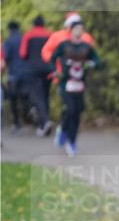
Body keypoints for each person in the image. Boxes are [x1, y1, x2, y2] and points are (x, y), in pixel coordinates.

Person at [48, 18, 102, 157]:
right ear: (70, 30)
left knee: (77, 112)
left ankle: (70, 139)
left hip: (80, 85)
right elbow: (52, 58)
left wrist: (92, 64)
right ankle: (66, 135)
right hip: (66, 84)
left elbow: (98, 61)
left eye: (81, 28)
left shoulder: (86, 46)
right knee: (70, 110)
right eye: (76, 28)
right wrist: (55, 71)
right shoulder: (64, 45)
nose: (79, 31)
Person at [18, 15, 53, 136]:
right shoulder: (50, 34)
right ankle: (44, 123)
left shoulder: (28, 35)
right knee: (46, 95)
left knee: (38, 96)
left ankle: (44, 122)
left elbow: (22, 54)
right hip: (49, 69)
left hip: (34, 70)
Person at [2, 22, 28, 131]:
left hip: (13, 73)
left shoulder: (8, 41)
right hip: (26, 73)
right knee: (25, 97)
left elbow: (5, 56)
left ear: (9, 30)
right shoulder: (24, 39)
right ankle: (29, 117)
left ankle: (17, 123)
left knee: (13, 98)